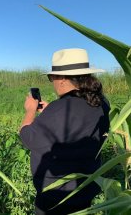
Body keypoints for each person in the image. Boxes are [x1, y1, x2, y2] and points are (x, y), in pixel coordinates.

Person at [19, 48, 110, 215]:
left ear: (61, 79)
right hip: (86, 187)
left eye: (51, 77)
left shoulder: (58, 109)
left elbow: (27, 137)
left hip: (56, 195)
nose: (52, 82)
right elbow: (78, 120)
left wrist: (30, 111)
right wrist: (49, 111)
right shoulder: (101, 102)